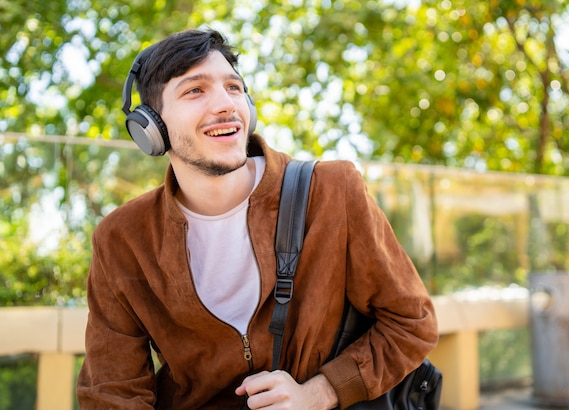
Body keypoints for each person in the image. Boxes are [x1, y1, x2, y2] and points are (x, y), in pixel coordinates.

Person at [76, 27, 438, 409]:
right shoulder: (121, 239)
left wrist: (320, 392)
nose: (225, 104)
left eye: (233, 88)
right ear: (152, 127)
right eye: (195, 90)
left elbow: (412, 323)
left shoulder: (333, 191)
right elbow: (112, 391)